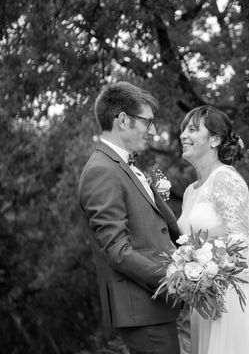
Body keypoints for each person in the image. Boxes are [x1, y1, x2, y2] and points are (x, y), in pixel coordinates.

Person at [78, 81, 182, 354]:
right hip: (141, 307)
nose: (153, 131)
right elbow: (118, 251)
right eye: (147, 122)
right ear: (123, 120)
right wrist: (172, 278)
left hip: (152, 308)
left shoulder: (123, 166)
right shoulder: (101, 170)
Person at [177, 105, 249, 354]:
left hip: (231, 295)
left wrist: (206, 277)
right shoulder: (191, 191)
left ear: (215, 138)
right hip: (203, 298)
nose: (183, 135)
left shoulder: (226, 178)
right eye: (183, 129)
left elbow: (240, 243)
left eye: (192, 129)